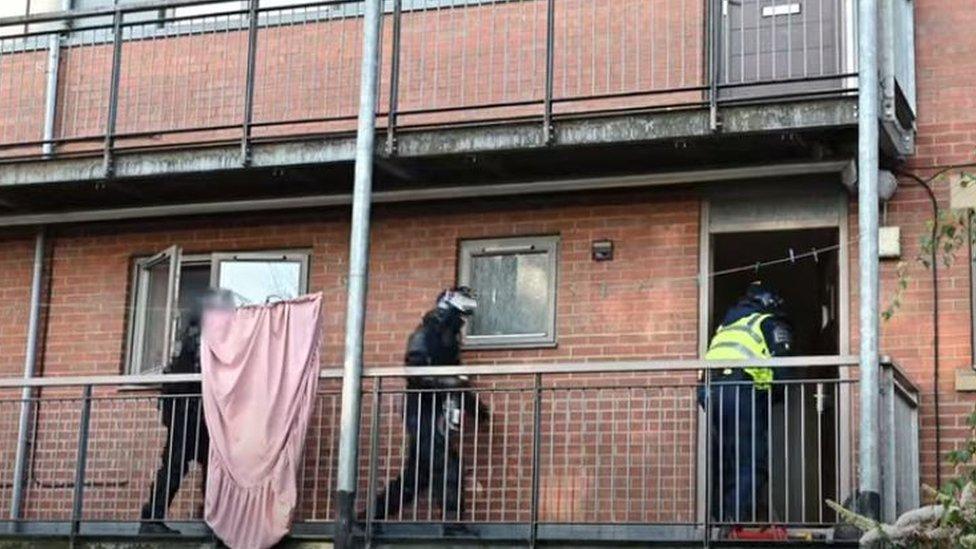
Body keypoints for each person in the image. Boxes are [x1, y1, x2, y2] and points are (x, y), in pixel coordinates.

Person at [372, 287, 483, 523]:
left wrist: (477, 410)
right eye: (461, 315)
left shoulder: (447, 338)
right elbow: (416, 370)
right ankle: (453, 525)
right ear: (449, 311)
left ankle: (368, 519)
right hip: (421, 410)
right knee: (447, 465)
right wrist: (448, 382)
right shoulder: (427, 333)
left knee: (417, 476)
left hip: (433, 410)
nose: (462, 322)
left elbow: (455, 379)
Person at [139, 289, 234, 535]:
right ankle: (153, 519)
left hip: (194, 412)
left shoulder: (192, 336)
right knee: (178, 464)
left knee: (206, 464)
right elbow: (199, 372)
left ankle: (210, 518)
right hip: (188, 412)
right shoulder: (197, 338)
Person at [702, 281, 793, 527]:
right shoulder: (766, 322)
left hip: (711, 392)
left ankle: (720, 518)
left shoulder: (727, 324)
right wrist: (776, 397)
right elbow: (782, 369)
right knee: (752, 460)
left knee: (728, 459)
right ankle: (734, 519)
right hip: (740, 390)